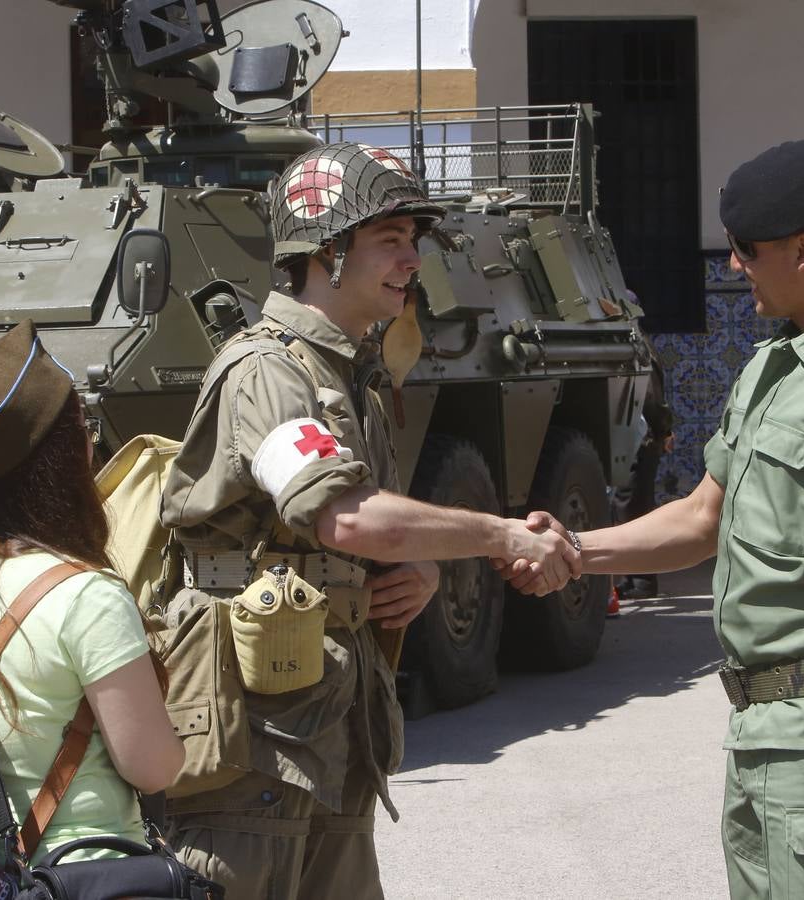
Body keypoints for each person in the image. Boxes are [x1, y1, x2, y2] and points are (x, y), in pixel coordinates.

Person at [503, 140, 804, 898]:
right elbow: (702, 516)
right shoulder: (774, 366)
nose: (734, 265)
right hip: (758, 738)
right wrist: (574, 547)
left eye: (747, 249)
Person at [157, 141, 580, 899]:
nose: (411, 261)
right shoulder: (269, 370)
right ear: (325, 251)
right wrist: (499, 533)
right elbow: (345, 520)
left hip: (328, 723)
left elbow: (376, 526)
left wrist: (417, 569)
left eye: (412, 242)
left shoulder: (347, 375)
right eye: (390, 241)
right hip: (251, 735)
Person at [0, 319, 185, 861]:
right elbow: (152, 766)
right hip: (82, 874)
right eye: (85, 433)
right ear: (66, 460)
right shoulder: (86, 597)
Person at [613, 333, 675, 600]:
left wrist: (663, 431)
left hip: (641, 440)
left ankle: (642, 581)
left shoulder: (635, 342)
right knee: (630, 508)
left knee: (634, 511)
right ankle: (634, 577)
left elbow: (650, 396)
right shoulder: (637, 341)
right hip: (638, 439)